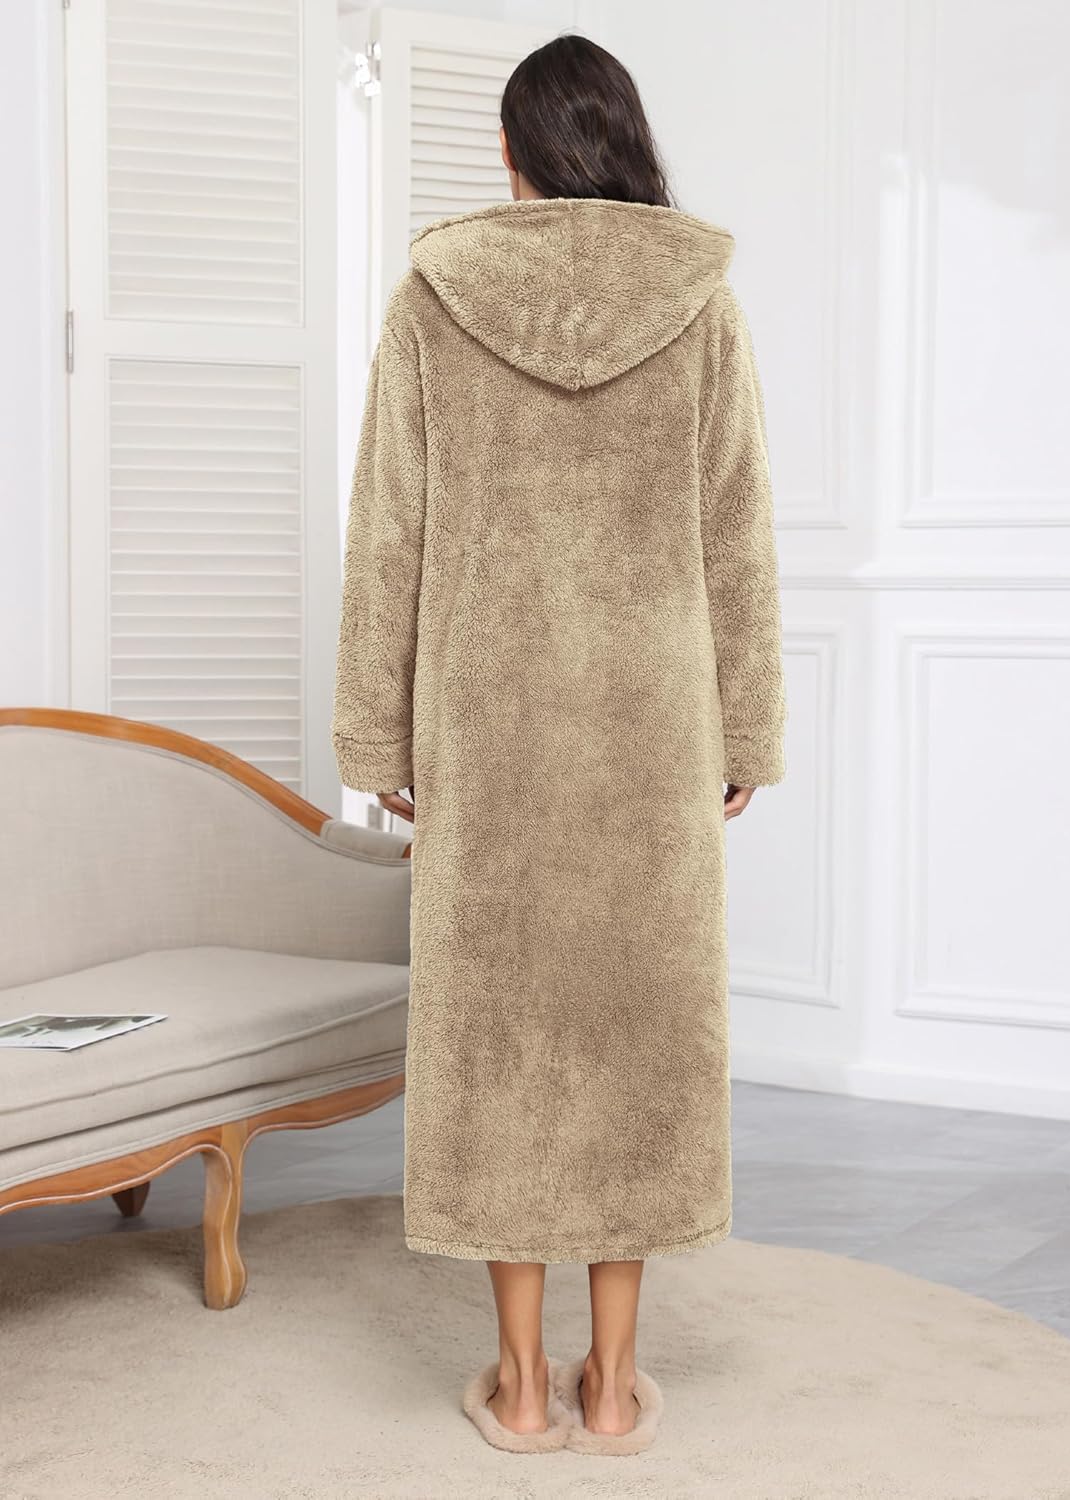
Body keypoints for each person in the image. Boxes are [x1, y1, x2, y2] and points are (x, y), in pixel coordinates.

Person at [331, 32, 787, 1458]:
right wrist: (745, 729)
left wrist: (377, 732)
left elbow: (388, 536)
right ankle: (613, 1384)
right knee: (639, 1039)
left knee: (503, 1043)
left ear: (514, 154)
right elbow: (736, 537)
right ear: (628, 142)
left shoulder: (435, 294)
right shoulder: (701, 303)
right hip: (652, 730)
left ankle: (521, 1386)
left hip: (489, 732)